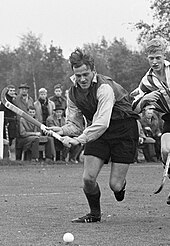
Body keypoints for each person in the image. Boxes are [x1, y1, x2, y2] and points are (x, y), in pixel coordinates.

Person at [53, 48, 139, 223]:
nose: (82, 79)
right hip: (98, 133)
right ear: (73, 74)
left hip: (123, 130)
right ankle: (94, 214)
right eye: (78, 75)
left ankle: (120, 186)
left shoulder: (104, 88)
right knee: (88, 178)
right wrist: (61, 130)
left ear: (93, 71)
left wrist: (78, 140)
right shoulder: (72, 93)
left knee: (115, 185)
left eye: (85, 74)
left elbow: (102, 122)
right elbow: (75, 124)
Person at [131, 38, 170, 205]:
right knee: (166, 150)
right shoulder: (146, 81)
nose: (155, 62)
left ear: (164, 56)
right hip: (168, 117)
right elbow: (134, 108)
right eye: (151, 58)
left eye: (158, 57)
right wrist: (146, 98)